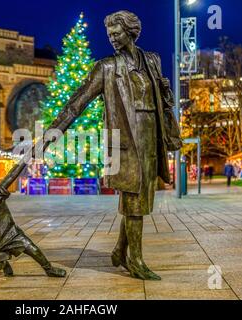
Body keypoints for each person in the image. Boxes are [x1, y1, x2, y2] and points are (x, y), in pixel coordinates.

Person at [46, 11, 182, 280]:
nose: (112, 38)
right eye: (109, 34)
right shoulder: (107, 67)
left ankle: (120, 250)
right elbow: (78, 100)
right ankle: (136, 260)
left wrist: (166, 92)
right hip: (126, 141)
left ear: (131, 32)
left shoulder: (152, 61)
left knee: (140, 199)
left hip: (151, 135)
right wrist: (55, 130)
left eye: (117, 33)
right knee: (134, 200)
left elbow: (164, 101)